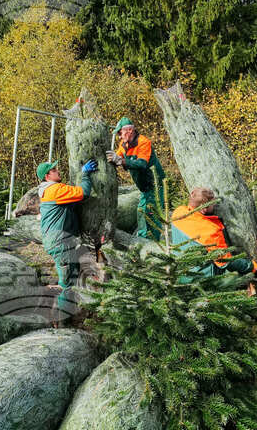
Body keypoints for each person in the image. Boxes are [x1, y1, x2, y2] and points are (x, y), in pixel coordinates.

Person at [37, 159, 97, 317]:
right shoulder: (55, 189)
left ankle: (69, 311)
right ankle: (62, 318)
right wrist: (84, 175)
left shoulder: (48, 190)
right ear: (47, 176)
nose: (58, 171)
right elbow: (83, 192)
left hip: (57, 241)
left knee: (73, 274)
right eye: (54, 170)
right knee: (67, 282)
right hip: (60, 242)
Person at [171, 187, 257, 279]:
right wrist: (252, 267)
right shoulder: (210, 231)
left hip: (179, 273)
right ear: (204, 208)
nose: (215, 206)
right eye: (213, 204)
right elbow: (225, 261)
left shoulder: (178, 212)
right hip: (203, 278)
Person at [107, 118, 166, 240]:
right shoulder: (124, 144)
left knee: (152, 214)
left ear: (129, 130)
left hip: (155, 184)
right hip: (144, 187)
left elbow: (142, 164)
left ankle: (153, 245)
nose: (119, 136)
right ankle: (144, 240)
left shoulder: (143, 142)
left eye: (120, 133)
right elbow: (117, 157)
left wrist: (121, 161)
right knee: (141, 212)